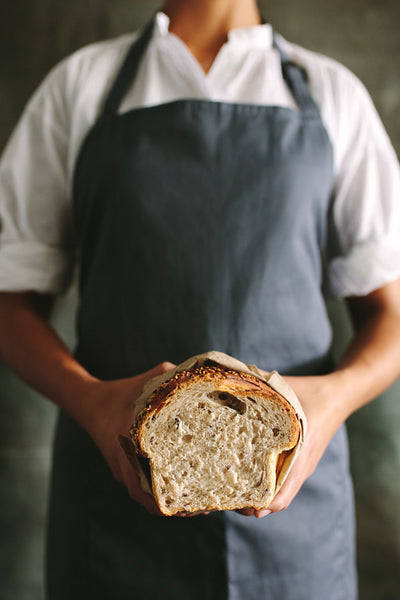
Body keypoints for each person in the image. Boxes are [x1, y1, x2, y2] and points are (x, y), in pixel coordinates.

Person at [0, 0, 400, 598]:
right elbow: (9, 302)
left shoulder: (332, 94)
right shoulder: (80, 86)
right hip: (111, 526)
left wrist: (329, 401)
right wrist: (93, 403)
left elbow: (391, 312)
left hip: (297, 529)